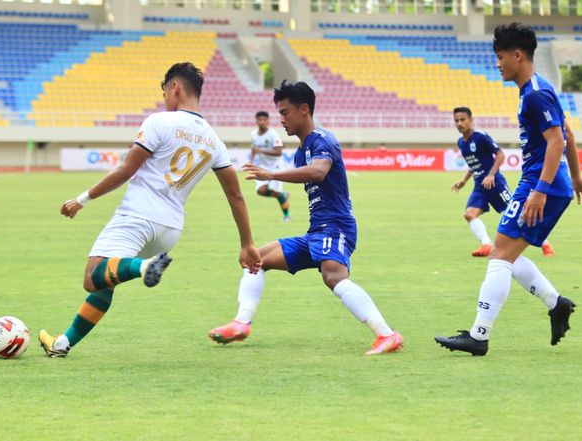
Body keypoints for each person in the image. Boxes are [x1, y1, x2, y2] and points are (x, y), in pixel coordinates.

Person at [39, 62, 262, 358]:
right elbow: (236, 196)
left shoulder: (160, 122)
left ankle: (146, 267)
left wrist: (81, 200)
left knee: (94, 275)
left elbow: (125, 170)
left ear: (175, 88)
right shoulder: (213, 140)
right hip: (170, 230)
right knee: (109, 279)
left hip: (138, 216)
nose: (165, 100)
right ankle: (62, 344)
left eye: (165, 92)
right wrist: (247, 243)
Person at [209, 80, 403, 355]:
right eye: (279, 113)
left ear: (304, 110)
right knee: (256, 259)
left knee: (333, 276)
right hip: (317, 231)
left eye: (285, 113)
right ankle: (241, 324)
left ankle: (387, 334)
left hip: (336, 227)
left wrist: (271, 175)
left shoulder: (323, 140)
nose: (281, 120)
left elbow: (318, 172)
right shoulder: (303, 149)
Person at [435, 23, 582, 356]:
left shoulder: (535, 94)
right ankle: (556, 303)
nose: (498, 63)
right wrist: (575, 176)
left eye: (500, 57)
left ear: (517, 55)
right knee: (506, 252)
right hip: (545, 183)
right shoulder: (535, 89)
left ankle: (479, 336)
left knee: (500, 254)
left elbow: (557, 141)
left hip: (539, 184)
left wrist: (541, 189)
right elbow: (568, 136)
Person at [451, 106, 555, 257]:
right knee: (469, 214)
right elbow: (473, 163)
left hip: (495, 185)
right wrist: (464, 180)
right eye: (456, 120)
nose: (459, 123)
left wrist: (491, 174)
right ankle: (486, 244)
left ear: (470, 120)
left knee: (519, 215)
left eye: (462, 119)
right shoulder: (461, 142)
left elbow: (500, 155)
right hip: (480, 186)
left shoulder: (480, 136)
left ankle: (545, 244)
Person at [251, 110, 291, 221]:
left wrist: (261, 150)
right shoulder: (253, 135)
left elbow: (279, 152)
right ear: (256, 121)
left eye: (264, 120)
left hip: (276, 166)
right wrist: (252, 160)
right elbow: (254, 149)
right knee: (261, 190)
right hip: (263, 166)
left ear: (268, 121)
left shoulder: (273, 134)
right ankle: (284, 195)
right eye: (260, 120)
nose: (262, 122)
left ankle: (287, 216)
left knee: (276, 192)